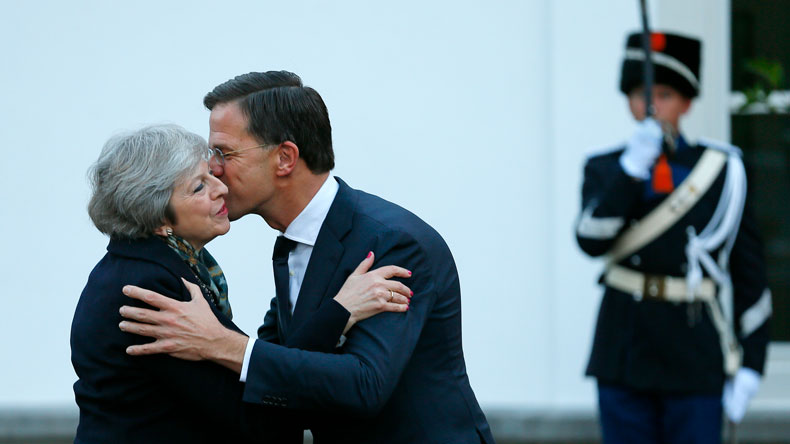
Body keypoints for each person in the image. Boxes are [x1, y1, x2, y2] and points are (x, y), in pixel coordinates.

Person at [118, 71, 495, 443]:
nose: (212, 168)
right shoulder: (293, 241)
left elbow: (364, 386)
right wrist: (338, 312)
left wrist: (220, 343)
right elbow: (287, 357)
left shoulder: (392, 241)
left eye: (224, 152)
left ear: (285, 158)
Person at [71, 124, 412, 443]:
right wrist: (341, 311)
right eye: (199, 186)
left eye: (210, 174)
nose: (222, 188)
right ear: (158, 218)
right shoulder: (151, 288)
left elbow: (238, 372)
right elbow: (259, 422)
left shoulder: (140, 268)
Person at [575, 32, 772, 443]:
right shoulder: (605, 168)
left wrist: (752, 363)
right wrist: (631, 172)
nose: (651, 106)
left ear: (686, 102)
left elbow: (749, 271)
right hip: (623, 348)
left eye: (664, 94)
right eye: (640, 94)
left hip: (694, 352)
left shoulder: (722, 170)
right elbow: (591, 240)